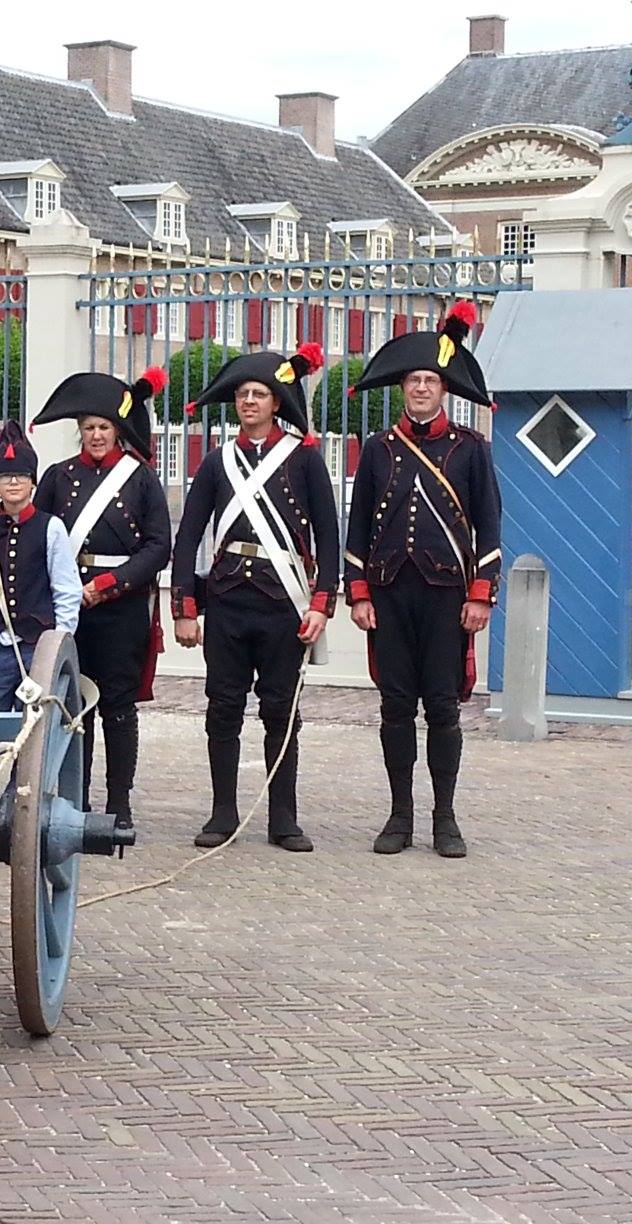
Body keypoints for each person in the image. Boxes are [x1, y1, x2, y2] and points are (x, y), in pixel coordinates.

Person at [345, 300, 503, 859]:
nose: (420, 389)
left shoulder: (470, 448)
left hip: (445, 598)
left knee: (441, 708)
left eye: (429, 381)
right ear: (402, 388)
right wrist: (358, 592)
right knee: (394, 709)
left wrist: (482, 593)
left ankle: (445, 815)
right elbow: (358, 524)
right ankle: (399, 814)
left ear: (443, 388)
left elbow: (489, 523)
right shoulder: (378, 449)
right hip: (389, 595)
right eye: (413, 380)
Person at [171, 343, 339, 852]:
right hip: (226, 601)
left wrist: (321, 603)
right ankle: (223, 813)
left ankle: (283, 818)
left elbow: (328, 537)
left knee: (281, 711)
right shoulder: (218, 462)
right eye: (243, 394)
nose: (249, 401)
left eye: (259, 394)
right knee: (222, 708)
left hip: (282, 603)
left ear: (276, 402)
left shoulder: (304, 460)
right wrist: (184, 606)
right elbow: (189, 534)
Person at [30, 366, 172, 831]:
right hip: (71, 606)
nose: (96, 435)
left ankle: (119, 802)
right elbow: (42, 538)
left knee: (117, 705)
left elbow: (157, 547)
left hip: (121, 605)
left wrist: (109, 585)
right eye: (89, 427)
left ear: (118, 431)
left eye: (104, 428)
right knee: (74, 706)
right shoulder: (57, 477)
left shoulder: (140, 479)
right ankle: (75, 796)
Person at [0, 420, 83, 712]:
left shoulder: (51, 528)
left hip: (39, 645)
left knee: (38, 723)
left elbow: (66, 589)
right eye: (5, 477)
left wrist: (59, 642)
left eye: (20, 475)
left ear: (33, 481)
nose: (13, 483)